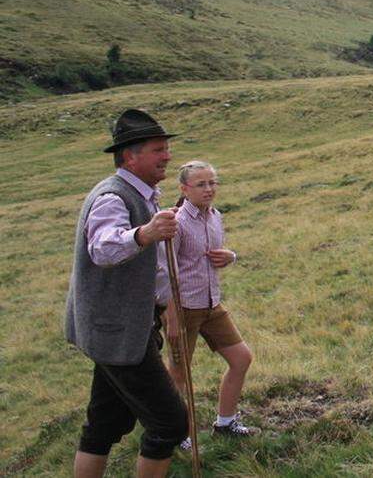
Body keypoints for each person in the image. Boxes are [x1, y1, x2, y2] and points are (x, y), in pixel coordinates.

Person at [65, 109, 189, 478]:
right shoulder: (112, 197)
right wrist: (144, 234)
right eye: (158, 149)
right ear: (130, 155)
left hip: (123, 328)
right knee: (170, 423)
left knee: (104, 423)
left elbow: (153, 268)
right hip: (118, 332)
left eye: (166, 148)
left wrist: (167, 309)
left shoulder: (144, 194)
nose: (167, 155)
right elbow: (102, 248)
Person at [159, 160, 258, 443]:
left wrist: (231, 257)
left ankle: (225, 423)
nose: (209, 189)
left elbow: (216, 255)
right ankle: (177, 434)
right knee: (179, 374)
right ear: (184, 188)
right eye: (201, 184)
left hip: (212, 305)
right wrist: (172, 318)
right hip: (183, 309)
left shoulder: (215, 216)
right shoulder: (174, 223)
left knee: (241, 358)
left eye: (212, 182)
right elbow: (164, 272)